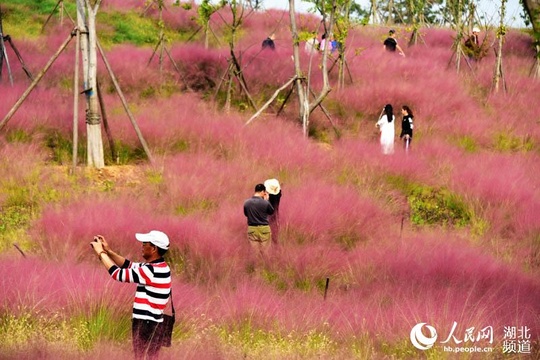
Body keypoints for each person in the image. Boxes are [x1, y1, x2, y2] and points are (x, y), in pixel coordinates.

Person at [90, 231, 172, 360]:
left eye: (145, 243)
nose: (142, 246)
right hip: (154, 324)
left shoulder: (150, 270)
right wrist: (109, 251)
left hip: (146, 325)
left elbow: (117, 274)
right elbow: (129, 265)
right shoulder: (159, 266)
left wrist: (100, 253)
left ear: (154, 248)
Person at [243, 183, 274, 252]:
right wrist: (267, 200)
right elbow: (271, 212)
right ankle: (264, 263)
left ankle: (257, 262)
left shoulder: (246, 202)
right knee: (266, 252)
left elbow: (246, 214)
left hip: (252, 229)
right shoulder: (265, 202)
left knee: (254, 252)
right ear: (263, 192)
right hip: (264, 229)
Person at [264, 178, 282, 245]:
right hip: (275, 216)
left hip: (266, 218)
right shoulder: (278, 195)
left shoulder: (267, 198)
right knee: (274, 234)